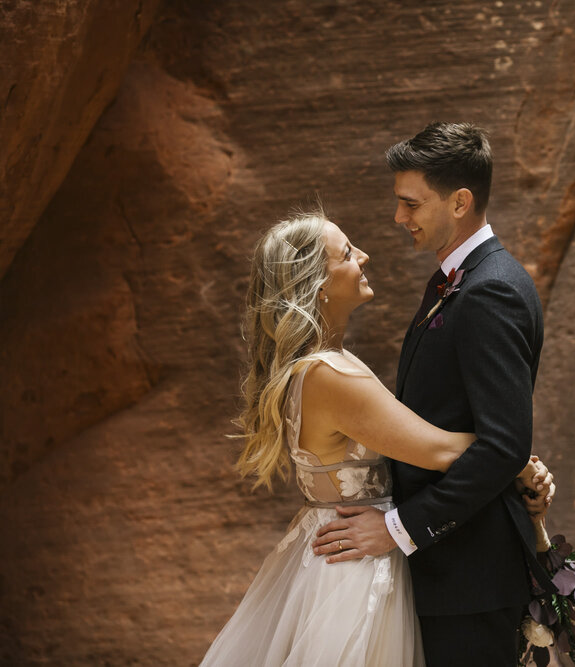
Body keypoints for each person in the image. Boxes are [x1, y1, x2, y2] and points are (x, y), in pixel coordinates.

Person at [200, 212, 554, 666]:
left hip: (337, 556)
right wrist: (517, 459)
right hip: (355, 571)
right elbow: (439, 449)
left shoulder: (320, 365)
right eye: (347, 253)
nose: (364, 257)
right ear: (318, 286)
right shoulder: (329, 375)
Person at [311, 122, 555, 666]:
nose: (400, 219)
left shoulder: (490, 289)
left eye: (410, 204)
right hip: (449, 572)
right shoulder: (456, 279)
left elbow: (502, 445)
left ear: (460, 201)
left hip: (470, 577)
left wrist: (398, 530)